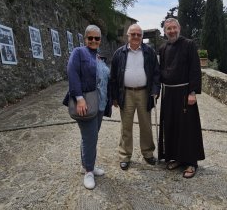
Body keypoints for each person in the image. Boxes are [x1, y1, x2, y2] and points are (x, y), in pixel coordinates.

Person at [63, 25, 111, 189]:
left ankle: (86, 165)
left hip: (99, 103)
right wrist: (79, 98)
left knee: (90, 137)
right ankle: (89, 171)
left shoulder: (97, 56)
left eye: (96, 38)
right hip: (85, 102)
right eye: (90, 38)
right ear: (85, 39)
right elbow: (72, 73)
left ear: (100, 40)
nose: (93, 40)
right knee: (90, 138)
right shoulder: (79, 52)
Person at [158, 18, 205, 178]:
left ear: (179, 28)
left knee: (188, 128)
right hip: (169, 94)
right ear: (165, 32)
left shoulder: (189, 45)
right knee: (172, 126)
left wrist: (192, 92)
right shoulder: (163, 47)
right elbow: (160, 70)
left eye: (174, 28)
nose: (171, 31)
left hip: (185, 93)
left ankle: (191, 162)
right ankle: (177, 158)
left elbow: (195, 69)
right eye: (168, 28)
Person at [110, 24, 160, 170]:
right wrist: (114, 96)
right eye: (133, 34)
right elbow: (113, 77)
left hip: (145, 92)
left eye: (139, 34)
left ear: (142, 36)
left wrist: (156, 89)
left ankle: (148, 153)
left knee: (146, 125)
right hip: (126, 93)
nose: (136, 37)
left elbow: (156, 73)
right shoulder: (119, 53)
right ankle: (125, 155)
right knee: (126, 126)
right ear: (128, 35)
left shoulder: (149, 52)